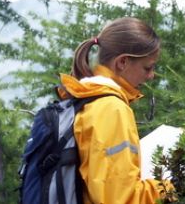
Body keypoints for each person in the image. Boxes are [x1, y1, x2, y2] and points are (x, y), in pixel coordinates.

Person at [57, 16, 175, 203]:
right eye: (148, 67)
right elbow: (120, 198)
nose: (151, 76)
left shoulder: (85, 98)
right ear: (122, 62)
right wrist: (173, 186)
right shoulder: (111, 109)